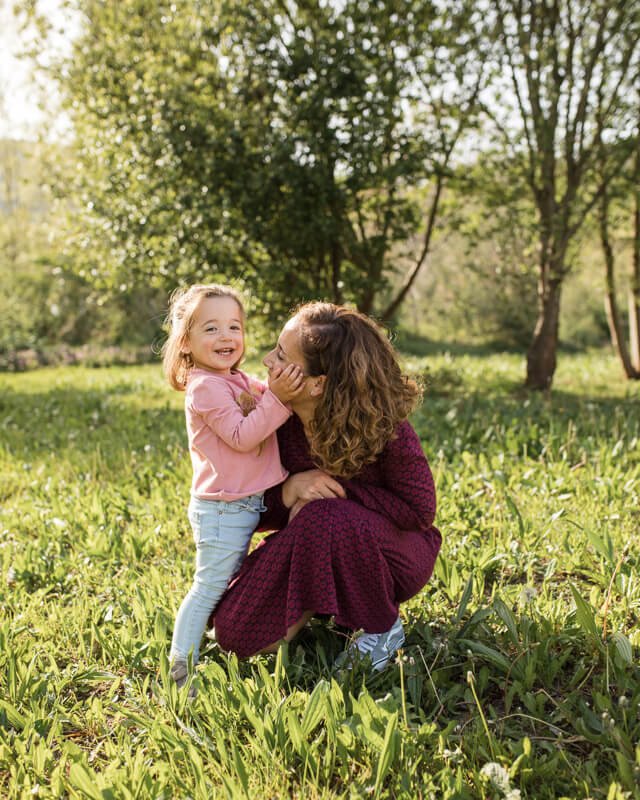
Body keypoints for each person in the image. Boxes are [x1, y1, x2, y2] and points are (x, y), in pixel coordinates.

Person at [212, 302, 442, 672]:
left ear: (317, 383)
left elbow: (419, 512)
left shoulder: (385, 427)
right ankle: (327, 600)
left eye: (283, 356)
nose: (268, 360)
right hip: (310, 539)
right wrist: (290, 491)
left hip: (394, 555)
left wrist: (340, 491)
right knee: (234, 635)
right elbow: (243, 509)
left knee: (325, 514)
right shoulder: (272, 422)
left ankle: (382, 628)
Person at [161, 284, 304, 688]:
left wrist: (281, 389)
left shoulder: (236, 379)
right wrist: (276, 397)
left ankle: (217, 635)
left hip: (244, 505)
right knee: (208, 586)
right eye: (211, 329)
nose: (226, 337)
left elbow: (270, 400)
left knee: (229, 580)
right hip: (223, 510)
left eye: (234, 326)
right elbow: (243, 435)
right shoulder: (205, 387)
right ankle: (180, 667)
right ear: (186, 342)